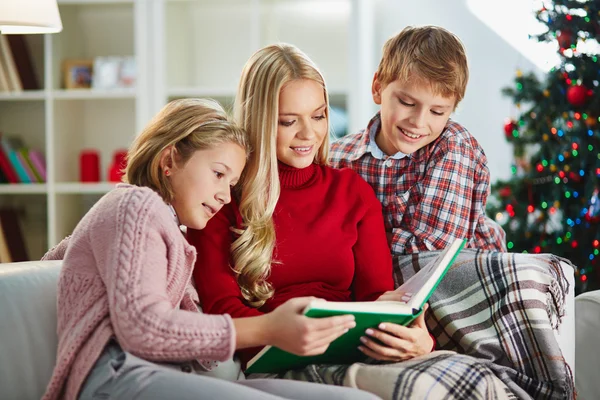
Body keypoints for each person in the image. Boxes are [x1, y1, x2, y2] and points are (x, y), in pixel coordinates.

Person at [40, 98, 380, 400]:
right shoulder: (136, 203)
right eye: (218, 174)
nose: (225, 196)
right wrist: (270, 328)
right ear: (169, 159)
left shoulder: (166, 229)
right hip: (118, 377)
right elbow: (144, 328)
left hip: (172, 375)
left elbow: (59, 260)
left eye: (232, 184)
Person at [189, 44, 435, 370]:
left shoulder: (352, 192)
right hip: (275, 360)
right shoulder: (222, 197)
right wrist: (283, 335)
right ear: (259, 121)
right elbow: (223, 310)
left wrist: (414, 336)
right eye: (289, 121)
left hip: (354, 353)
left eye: (318, 116)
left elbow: (376, 296)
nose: (309, 133)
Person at [330, 25, 507, 257]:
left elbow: (433, 252)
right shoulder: (336, 157)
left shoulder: (453, 147)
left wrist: (350, 239)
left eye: (437, 112)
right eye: (407, 103)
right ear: (377, 88)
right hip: (384, 284)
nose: (418, 121)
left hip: (469, 276)